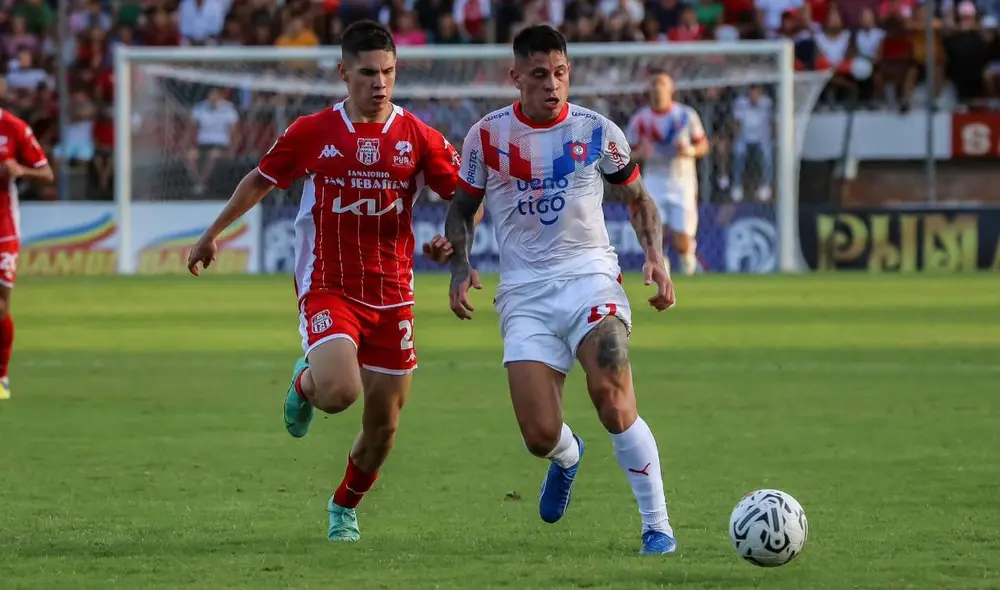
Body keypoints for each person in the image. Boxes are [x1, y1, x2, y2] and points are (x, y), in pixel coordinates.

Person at [186, 20, 474, 542]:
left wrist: (449, 244)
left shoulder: (420, 138)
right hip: (329, 285)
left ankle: (344, 505)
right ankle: (306, 380)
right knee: (340, 392)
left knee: (384, 427)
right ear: (344, 73)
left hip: (393, 294)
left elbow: (462, 201)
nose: (379, 83)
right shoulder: (312, 131)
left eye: (387, 72)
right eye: (367, 73)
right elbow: (259, 180)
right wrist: (212, 235)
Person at [442, 24, 679, 555]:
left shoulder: (598, 132)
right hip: (525, 294)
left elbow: (639, 201)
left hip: (590, 276)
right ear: (516, 77)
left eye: (561, 73)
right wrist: (460, 266)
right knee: (539, 436)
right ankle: (569, 456)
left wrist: (658, 260)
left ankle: (657, 526)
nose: (553, 85)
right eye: (540, 75)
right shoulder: (486, 136)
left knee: (612, 393)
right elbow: (461, 207)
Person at [625, 72, 709, 275]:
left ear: (671, 89)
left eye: (662, 84)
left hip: (682, 182)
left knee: (682, 241)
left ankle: (689, 265)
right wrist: (640, 154)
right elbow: (625, 153)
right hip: (654, 180)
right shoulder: (640, 119)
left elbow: (703, 145)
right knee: (654, 235)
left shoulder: (686, 115)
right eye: (654, 84)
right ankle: (662, 275)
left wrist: (689, 151)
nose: (657, 88)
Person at [0, 107, 55, 400]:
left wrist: (21, 171)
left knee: (1, 306)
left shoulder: (14, 127)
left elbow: (47, 173)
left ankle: (2, 377)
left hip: (3, 228)